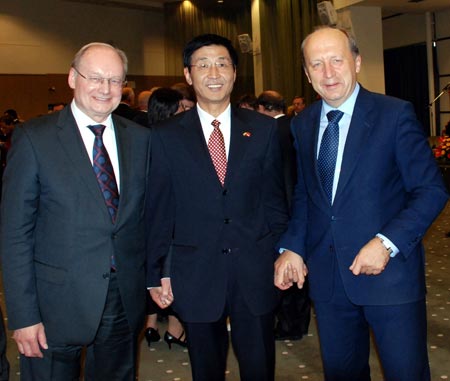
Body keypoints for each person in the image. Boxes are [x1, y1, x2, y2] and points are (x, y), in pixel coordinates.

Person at [274, 26, 448, 381]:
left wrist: (386, 243)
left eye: (336, 60)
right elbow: (308, 195)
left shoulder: (394, 114)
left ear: (356, 61)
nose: (328, 73)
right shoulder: (303, 124)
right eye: (317, 64)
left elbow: (431, 190)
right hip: (328, 281)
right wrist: (292, 246)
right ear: (307, 74)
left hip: (390, 278)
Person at [0, 42, 151, 380]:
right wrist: (23, 316)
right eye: (95, 78)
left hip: (121, 299)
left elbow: (146, 219)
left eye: (115, 80)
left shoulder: (140, 140)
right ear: (72, 78)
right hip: (53, 304)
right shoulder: (34, 138)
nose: (105, 89)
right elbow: (14, 235)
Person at [146, 33, 288, 381]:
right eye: (203, 64)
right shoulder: (165, 136)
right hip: (195, 272)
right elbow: (160, 210)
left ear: (235, 73)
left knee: (259, 368)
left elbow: (277, 200)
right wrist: (157, 271)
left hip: (254, 270)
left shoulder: (264, 130)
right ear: (189, 74)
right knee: (205, 370)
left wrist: (287, 251)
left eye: (222, 63)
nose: (214, 72)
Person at [256, 90, 311, 341]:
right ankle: (300, 323)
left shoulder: (267, 134)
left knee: (285, 271)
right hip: (305, 207)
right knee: (302, 271)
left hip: (281, 209)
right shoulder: (298, 126)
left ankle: (288, 325)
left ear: (263, 108)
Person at [142, 87, 187, 349]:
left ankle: (150, 325)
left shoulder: (142, 137)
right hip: (172, 219)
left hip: (146, 219)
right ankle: (173, 328)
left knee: (153, 269)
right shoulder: (171, 140)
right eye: (181, 108)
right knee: (170, 271)